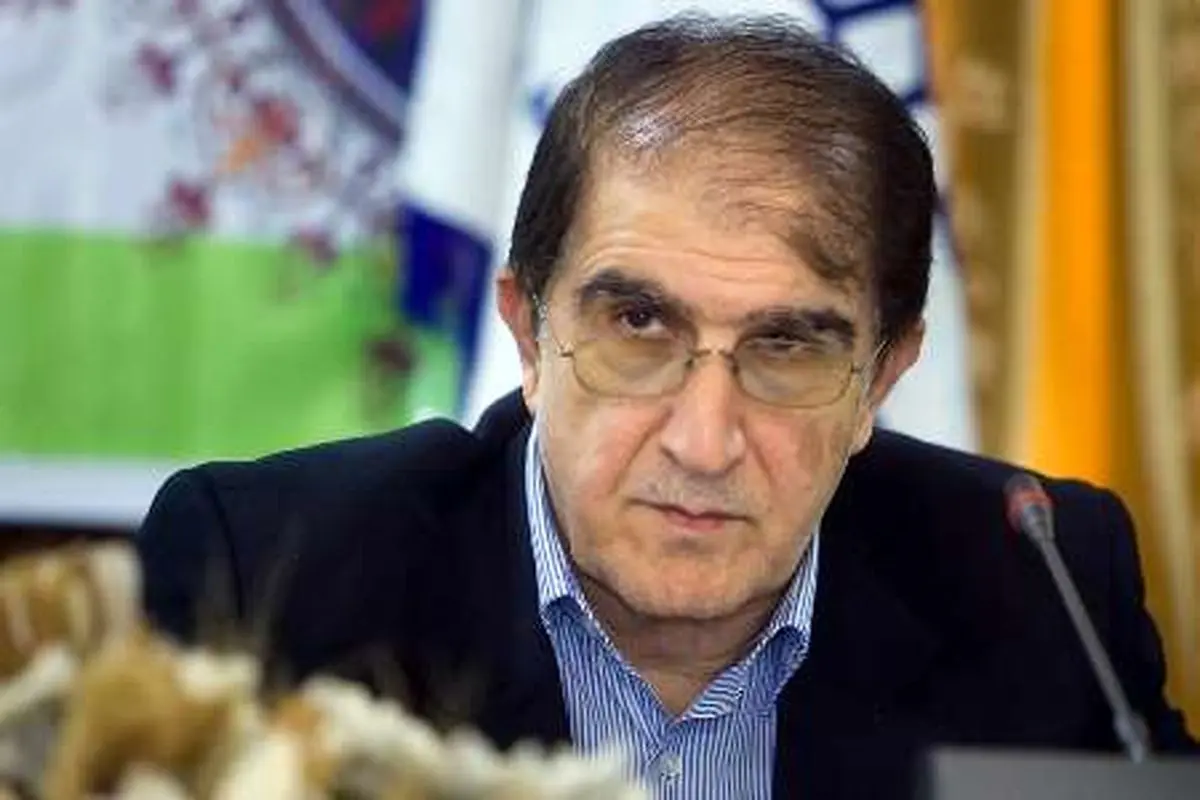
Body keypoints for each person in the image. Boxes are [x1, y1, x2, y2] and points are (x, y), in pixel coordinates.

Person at [136, 13, 1197, 799]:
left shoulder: (1043, 591)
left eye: (786, 347)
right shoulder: (271, 582)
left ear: (881, 377)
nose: (703, 441)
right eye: (639, 327)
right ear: (528, 335)